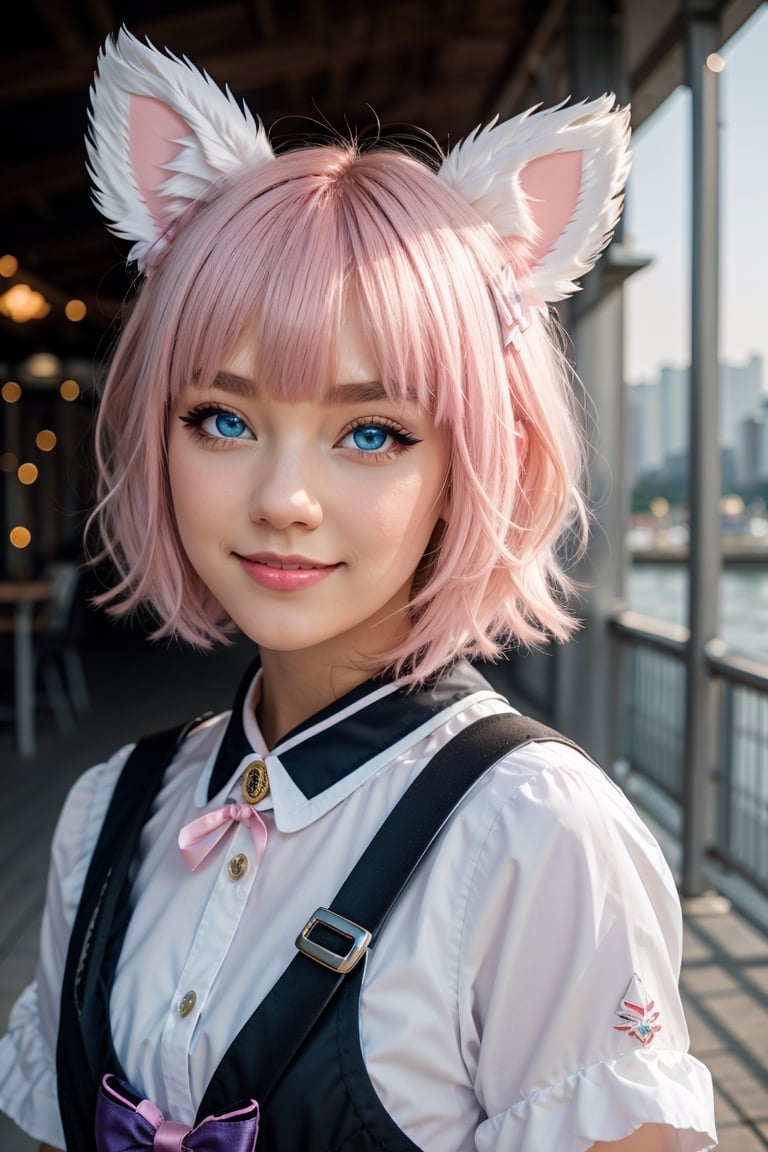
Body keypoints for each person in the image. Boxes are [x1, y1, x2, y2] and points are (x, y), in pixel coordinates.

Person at [0, 25, 717, 1152]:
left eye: (373, 432)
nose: (284, 497)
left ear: (471, 461)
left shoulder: (537, 839)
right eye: (223, 419)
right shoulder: (103, 814)